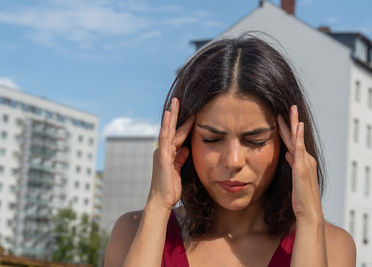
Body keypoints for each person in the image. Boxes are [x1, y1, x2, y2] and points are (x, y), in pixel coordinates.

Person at [104, 32, 356, 267]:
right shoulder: (133, 231)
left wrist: (309, 217)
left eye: (255, 140)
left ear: (287, 142)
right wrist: (158, 205)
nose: (233, 161)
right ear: (183, 139)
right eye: (212, 139)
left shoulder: (332, 246)